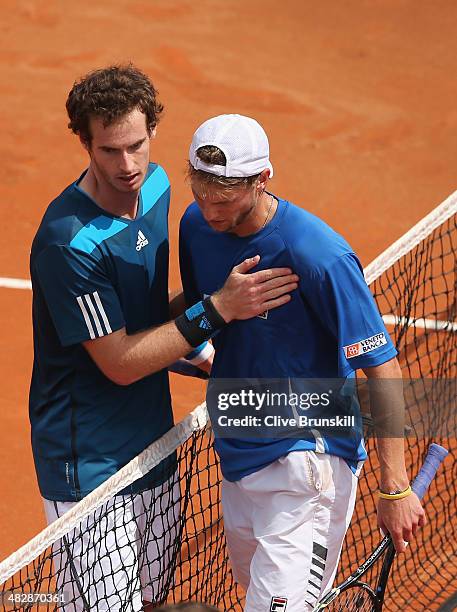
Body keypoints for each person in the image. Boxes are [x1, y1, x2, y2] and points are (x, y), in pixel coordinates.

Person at [29, 68, 299, 611]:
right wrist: (217, 311)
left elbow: (149, 312)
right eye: (108, 151)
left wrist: (202, 338)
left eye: (137, 145)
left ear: (153, 130)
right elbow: (122, 363)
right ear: (84, 142)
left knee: (152, 601)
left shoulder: (156, 189)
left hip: (153, 445)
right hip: (90, 470)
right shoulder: (69, 244)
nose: (127, 166)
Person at [179, 114, 426, 612]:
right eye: (201, 193)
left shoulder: (317, 254)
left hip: (306, 465)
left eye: (224, 199)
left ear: (262, 179)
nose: (210, 210)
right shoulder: (195, 226)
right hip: (240, 454)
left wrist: (395, 488)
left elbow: (381, 365)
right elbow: (213, 313)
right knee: (256, 596)